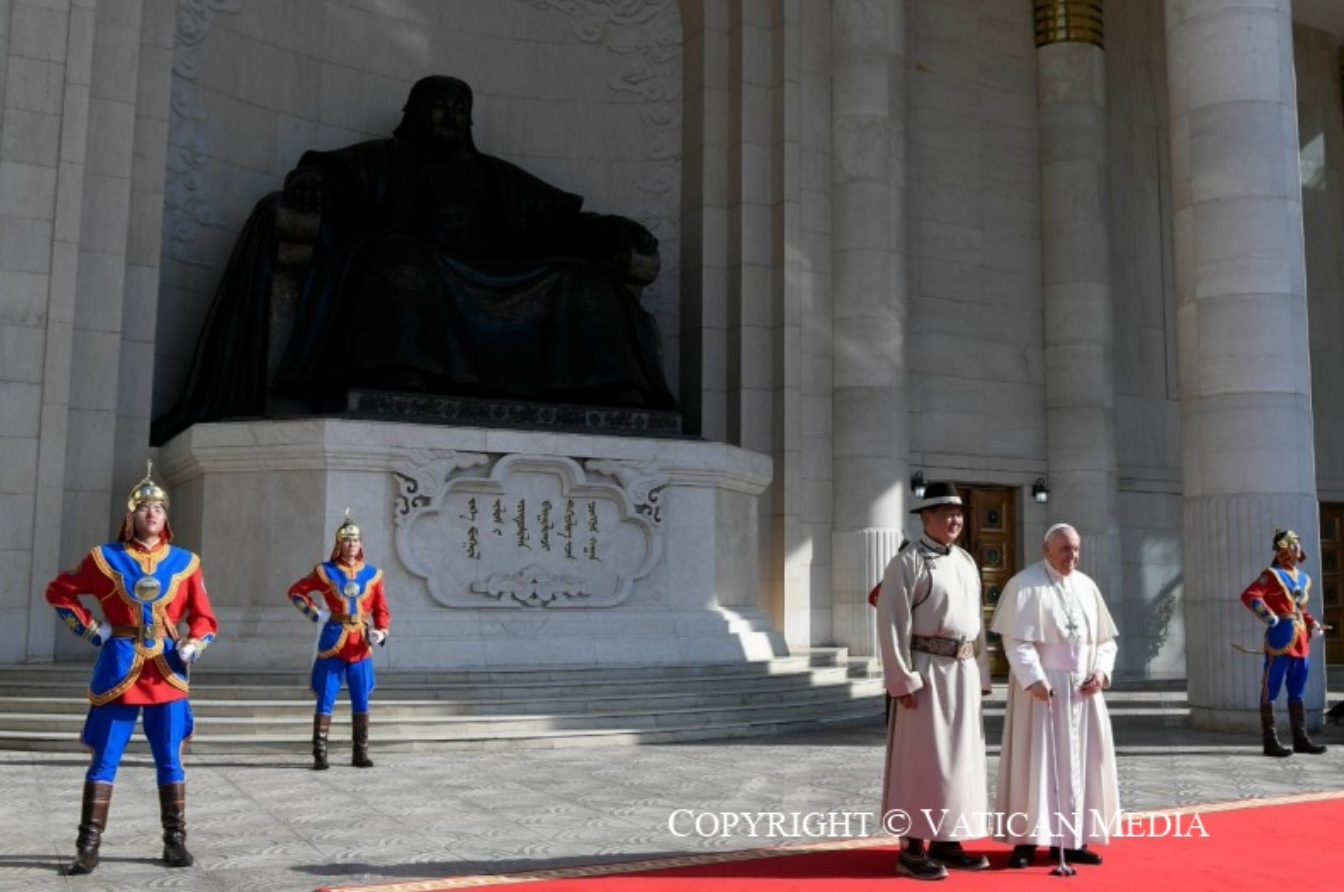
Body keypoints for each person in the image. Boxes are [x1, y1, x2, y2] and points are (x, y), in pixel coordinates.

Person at [151, 74, 676, 444]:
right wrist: (310, 185)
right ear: (414, 113)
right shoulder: (385, 159)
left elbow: (559, 220)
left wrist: (611, 229)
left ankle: (612, 387)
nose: (450, 115)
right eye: (439, 105)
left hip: (493, 270)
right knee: (405, 263)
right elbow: (328, 174)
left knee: (580, 277)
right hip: (420, 263)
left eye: (459, 107)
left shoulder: (493, 175)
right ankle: (400, 374)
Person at [44, 462, 218, 875]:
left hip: (169, 670)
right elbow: (59, 592)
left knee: (170, 759)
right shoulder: (104, 559)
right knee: (105, 759)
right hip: (119, 665)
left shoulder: (186, 562)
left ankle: (174, 842)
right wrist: (93, 631)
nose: (152, 513)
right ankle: (87, 846)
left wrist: (195, 642)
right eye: (144, 507)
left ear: (166, 516)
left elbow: (205, 617)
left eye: (159, 507)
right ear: (130, 516)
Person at [876, 481, 991, 881]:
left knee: (960, 761)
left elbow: (976, 622)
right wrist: (901, 680)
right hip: (924, 674)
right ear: (926, 517)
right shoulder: (907, 562)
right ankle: (911, 847)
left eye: (958, 514)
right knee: (922, 761)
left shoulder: (966, 561)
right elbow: (891, 624)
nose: (955, 520)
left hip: (961, 672)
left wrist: (981, 675)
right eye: (945, 513)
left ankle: (947, 838)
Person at [991, 523, 1120, 870]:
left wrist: (1101, 672)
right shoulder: (1025, 584)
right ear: (1046, 549)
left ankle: (1074, 840)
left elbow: (1106, 641)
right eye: (1064, 549)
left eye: (1076, 550)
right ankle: (1026, 842)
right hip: (1042, 693)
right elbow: (1016, 641)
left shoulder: (1087, 586)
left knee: (1083, 764)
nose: (1072, 556)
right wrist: (1033, 678)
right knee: (1036, 764)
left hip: (1083, 692)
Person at [287, 510, 391, 769]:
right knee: (326, 696)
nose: (351, 544)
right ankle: (320, 753)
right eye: (346, 540)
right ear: (338, 543)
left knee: (361, 697)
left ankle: (360, 752)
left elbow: (381, 609)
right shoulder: (325, 572)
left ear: (361, 543)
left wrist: (381, 631)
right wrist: (317, 614)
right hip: (334, 641)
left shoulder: (374, 575)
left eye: (355, 540)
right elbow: (296, 592)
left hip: (360, 645)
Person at [1239, 528, 1327, 757]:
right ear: (1282, 550)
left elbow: (1300, 609)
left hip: (1301, 641)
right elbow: (1250, 595)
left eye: (1297, 545)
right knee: (1271, 688)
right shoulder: (1271, 574)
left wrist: (1312, 624)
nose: (1297, 550)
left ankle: (1301, 738)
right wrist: (1269, 616)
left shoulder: (1304, 578)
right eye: (1292, 545)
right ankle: (1270, 741)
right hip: (1280, 638)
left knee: (1297, 691)